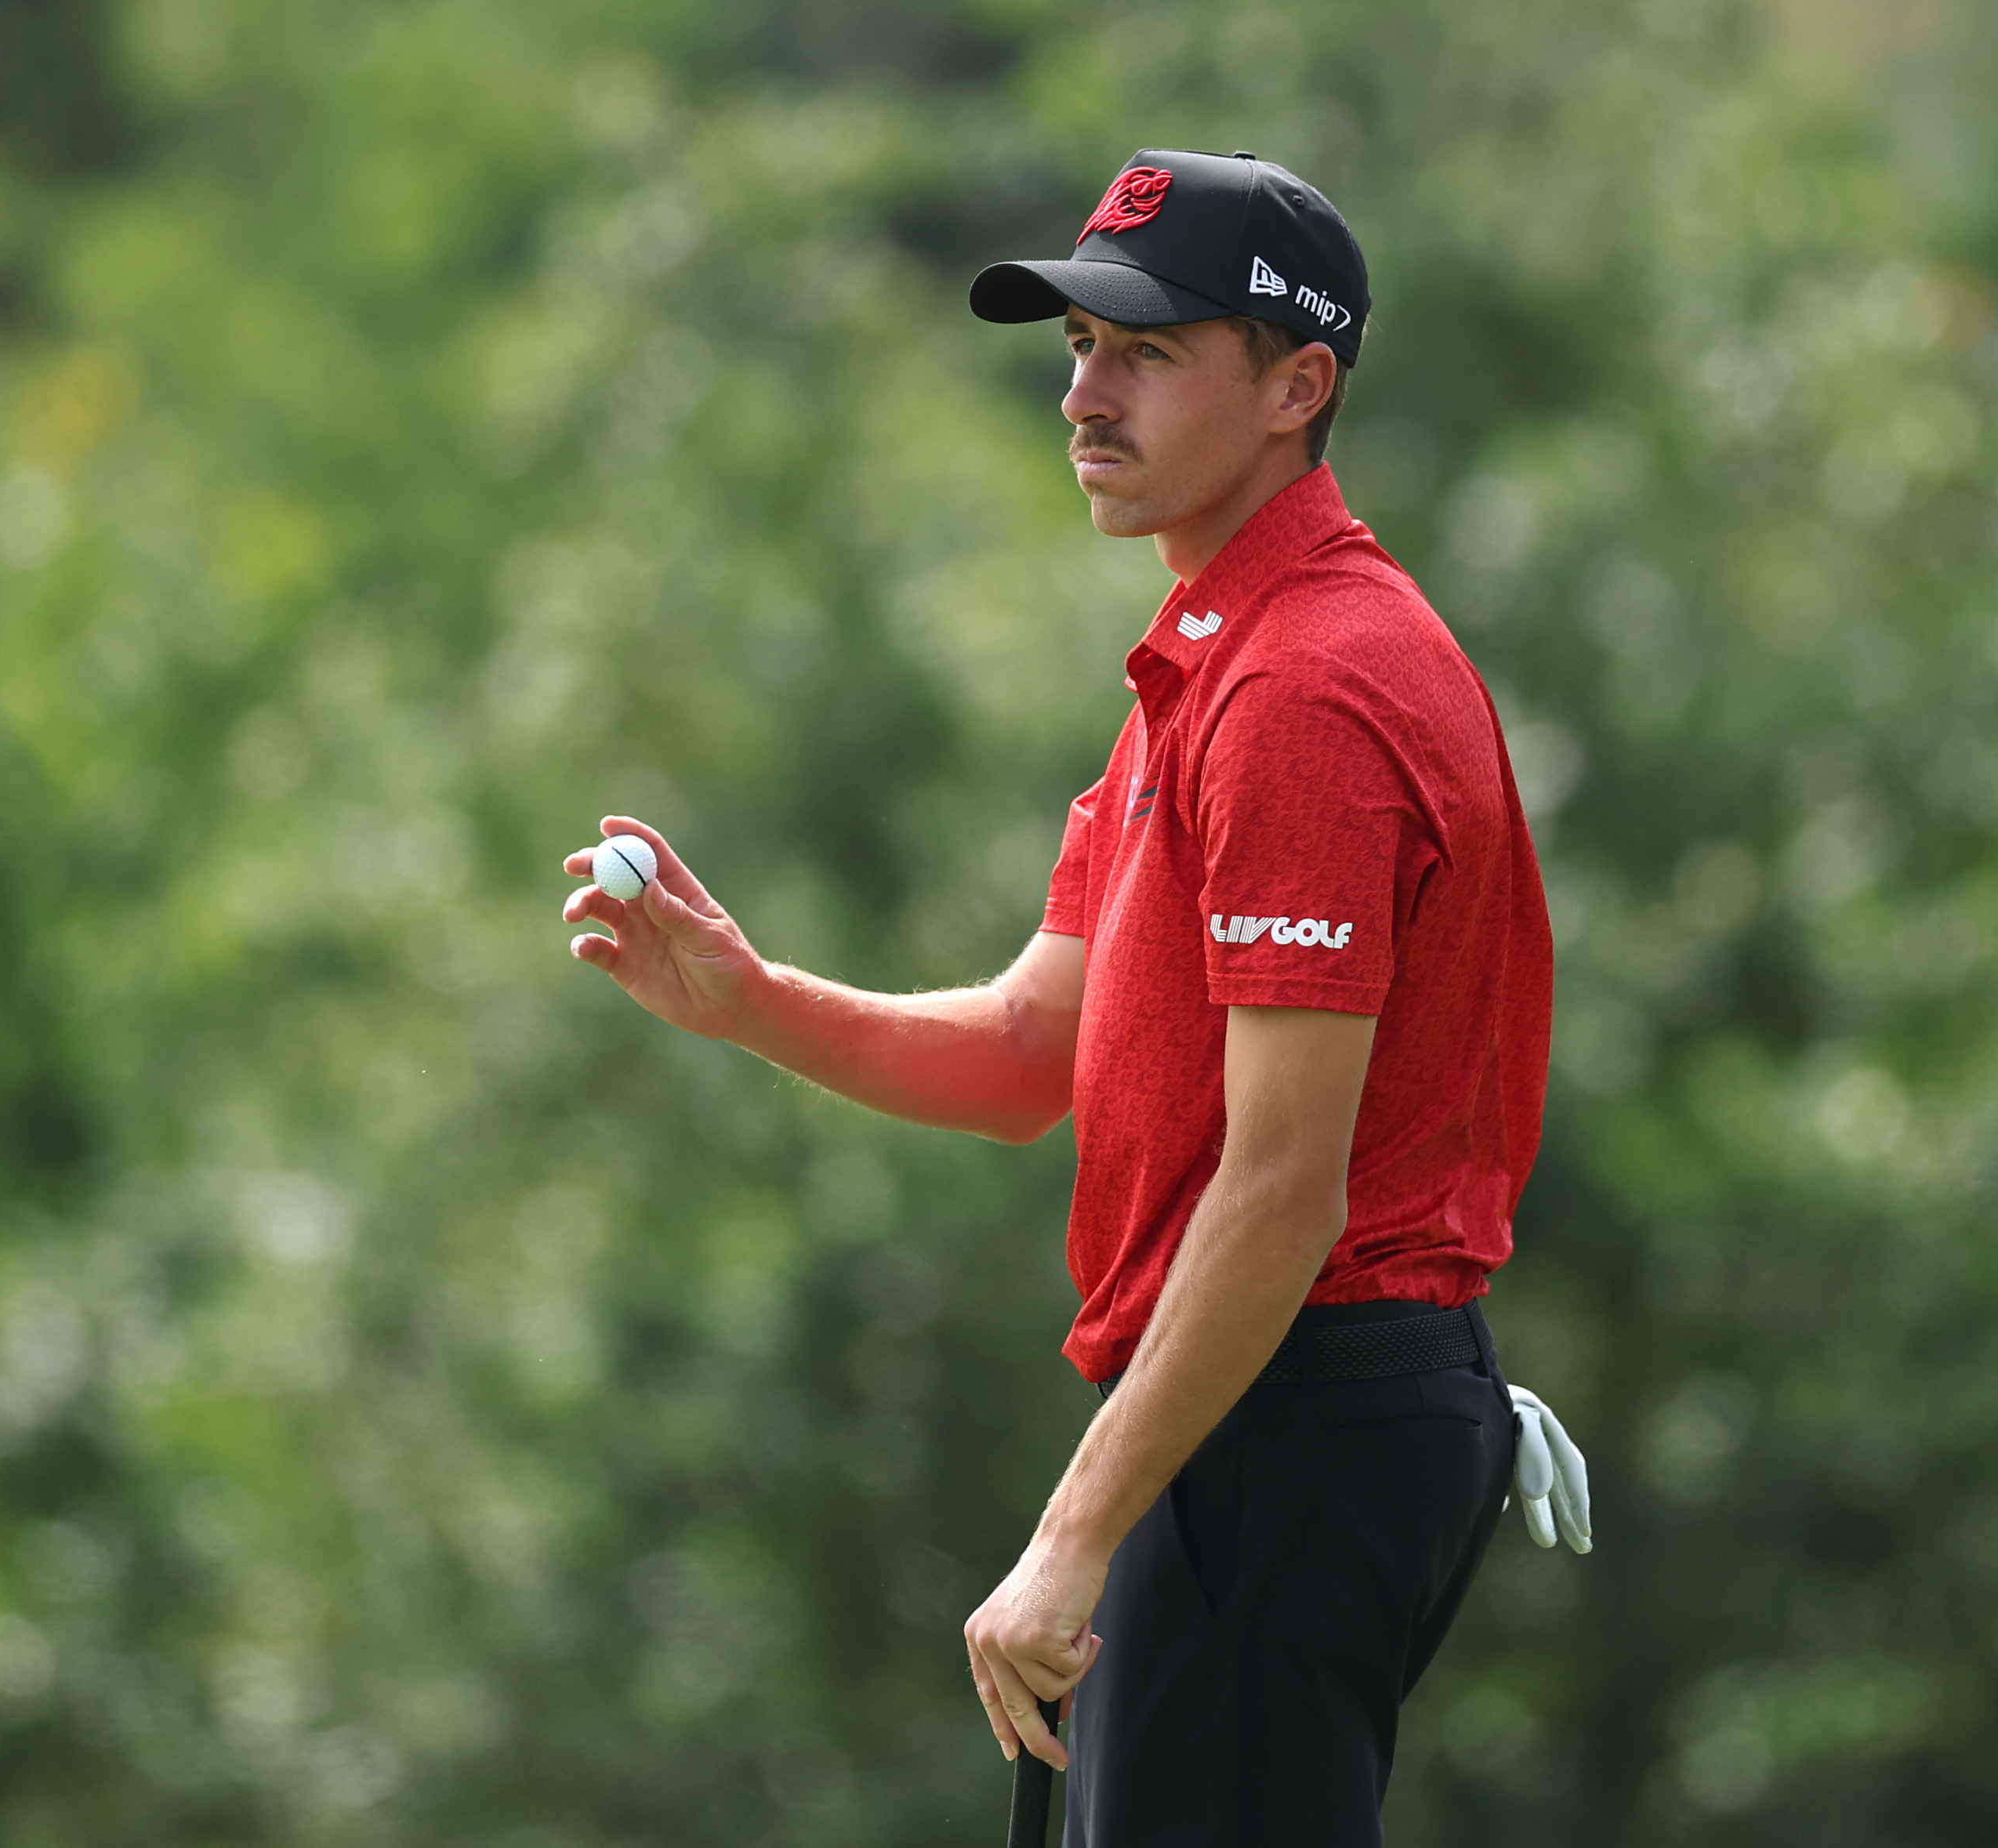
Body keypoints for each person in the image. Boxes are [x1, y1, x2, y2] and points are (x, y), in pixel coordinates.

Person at [561, 147, 1587, 1847]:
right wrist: (751, 1000)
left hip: (1295, 1411)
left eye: (1143, 350)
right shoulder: (1209, 662)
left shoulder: (1303, 690)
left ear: (1295, 387)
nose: (1081, 394)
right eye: (1072, 348)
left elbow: (1280, 1185)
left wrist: (1070, 1534)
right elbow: (1039, 1047)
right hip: (1258, 1411)